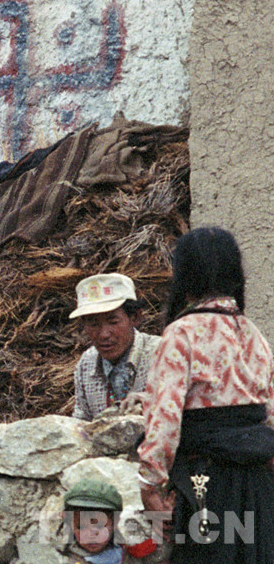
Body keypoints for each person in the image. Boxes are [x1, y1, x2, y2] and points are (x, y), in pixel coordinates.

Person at [137, 227, 274, 563]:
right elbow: (270, 414)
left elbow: (164, 419)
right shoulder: (254, 335)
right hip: (258, 486)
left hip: (205, 484)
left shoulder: (181, 335)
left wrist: (150, 486)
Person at [69, 273, 161, 420]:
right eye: (93, 324)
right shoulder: (86, 364)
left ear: (135, 317)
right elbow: (81, 419)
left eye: (113, 322)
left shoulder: (162, 354)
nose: (104, 334)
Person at [62, 478, 158, 563]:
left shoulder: (135, 554)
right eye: (81, 527)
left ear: (115, 522)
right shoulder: (64, 559)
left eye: (100, 526)